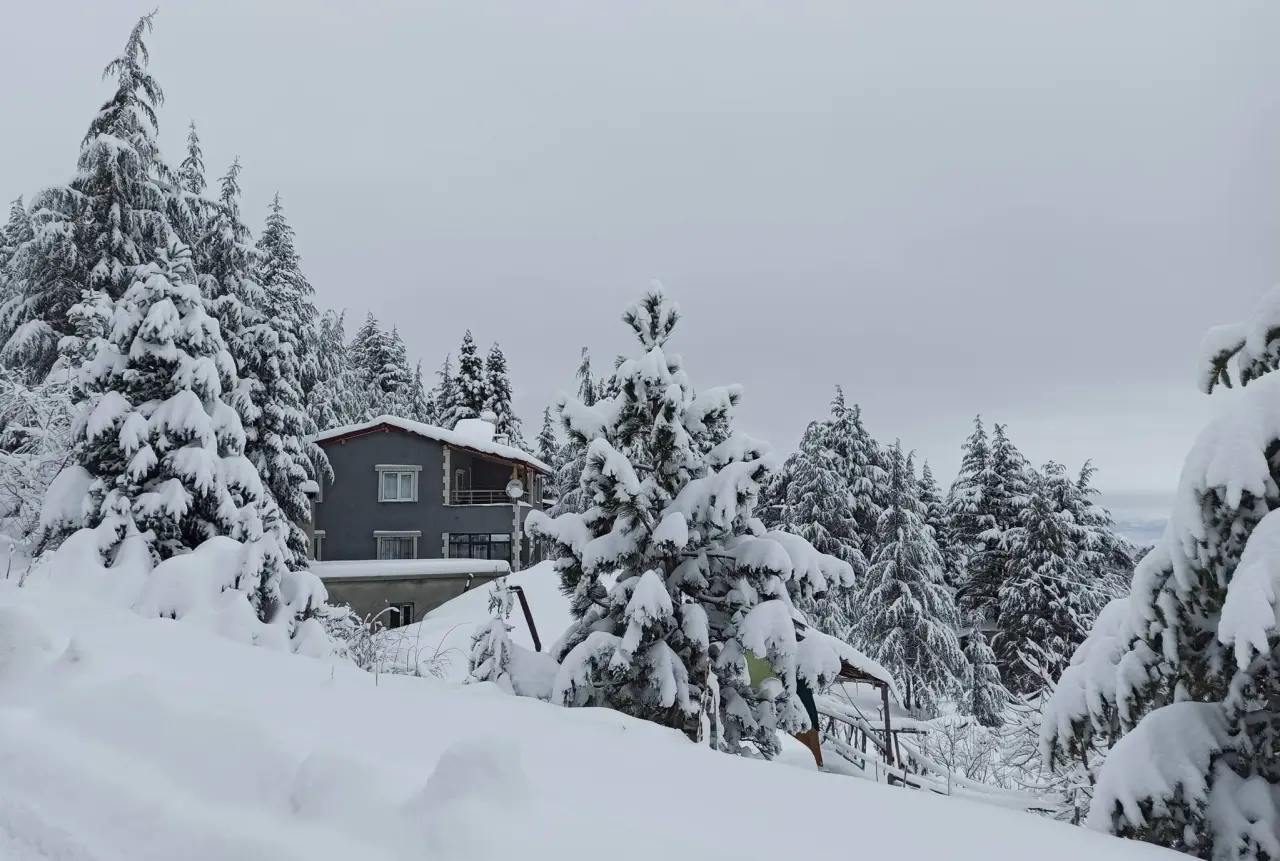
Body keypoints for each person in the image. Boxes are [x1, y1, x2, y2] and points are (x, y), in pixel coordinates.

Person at [744, 647, 824, 767]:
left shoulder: (793, 667)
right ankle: (813, 761)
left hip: (793, 709)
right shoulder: (788, 658)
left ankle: (813, 760)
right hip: (782, 704)